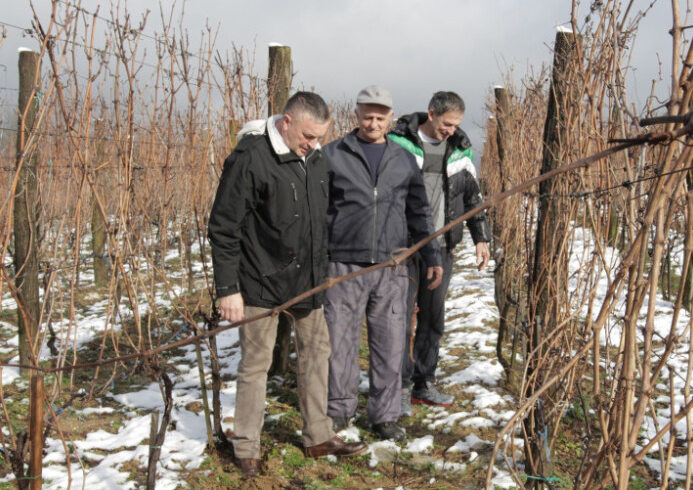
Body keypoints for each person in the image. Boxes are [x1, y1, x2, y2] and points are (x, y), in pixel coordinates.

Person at [208, 92, 368, 478]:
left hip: (307, 281)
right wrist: (228, 288)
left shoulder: (316, 158)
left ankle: (318, 436)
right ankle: (246, 446)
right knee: (256, 363)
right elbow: (224, 227)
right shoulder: (250, 158)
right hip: (260, 279)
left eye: (320, 138)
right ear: (286, 121)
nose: (313, 144)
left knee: (317, 353)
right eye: (308, 136)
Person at [323, 85, 443, 442]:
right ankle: (339, 409)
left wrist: (432, 255)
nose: (373, 123)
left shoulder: (403, 159)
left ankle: (385, 415)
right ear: (356, 115)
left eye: (380, 117)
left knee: (390, 344)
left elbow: (419, 210)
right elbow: (318, 211)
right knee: (339, 342)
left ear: (390, 118)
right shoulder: (332, 154)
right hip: (343, 265)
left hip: (393, 266)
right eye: (367, 116)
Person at [389, 91, 492, 415]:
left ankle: (424, 383)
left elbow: (473, 197)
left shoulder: (460, 150)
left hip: (442, 247)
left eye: (456, 125)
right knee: (399, 319)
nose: (451, 130)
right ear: (431, 114)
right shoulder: (399, 143)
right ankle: (398, 386)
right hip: (404, 246)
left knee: (433, 318)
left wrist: (481, 238)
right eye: (447, 123)